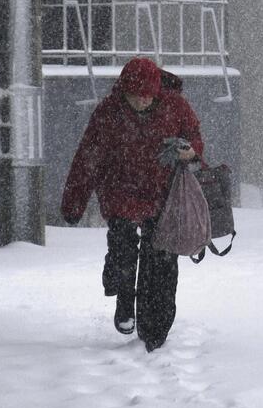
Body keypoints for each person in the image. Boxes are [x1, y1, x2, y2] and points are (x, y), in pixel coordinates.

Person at [61, 57, 204, 352]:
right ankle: (124, 300)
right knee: (123, 252)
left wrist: (190, 152)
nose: (141, 101)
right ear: (123, 91)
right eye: (134, 95)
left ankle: (155, 328)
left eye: (147, 95)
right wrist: (74, 202)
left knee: (161, 263)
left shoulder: (176, 106)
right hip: (120, 192)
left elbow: (195, 140)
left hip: (162, 197)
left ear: (156, 91)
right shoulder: (108, 112)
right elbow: (87, 158)